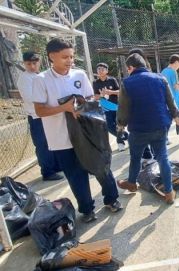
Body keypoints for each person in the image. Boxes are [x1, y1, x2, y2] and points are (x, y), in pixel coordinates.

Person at [32, 39, 121, 223]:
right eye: (65, 57)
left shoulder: (79, 75)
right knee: (76, 175)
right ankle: (87, 209)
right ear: (51, 57)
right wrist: (64, 108)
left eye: (71, 56)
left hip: (87, 133)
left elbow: (90, 98)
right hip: (61, 138)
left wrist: (81, 105)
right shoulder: (41, 80)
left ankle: (112, 199)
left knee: (101, 166)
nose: (70, 60)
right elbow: (39, 110)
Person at [116, 53, 179, 204]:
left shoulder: (126, 83)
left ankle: (132, 183)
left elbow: (123, 110)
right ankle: (169, 192)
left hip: (138, 129)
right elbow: (171, 103)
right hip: (160, 126)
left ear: (130, 67)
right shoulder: (160, 78)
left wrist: (120, 128)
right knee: (162, 158)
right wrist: (178, 122)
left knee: (135, 158)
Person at [17, 52, 63, 181]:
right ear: (24, 64)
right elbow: (31, 98)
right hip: (37, 116)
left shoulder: (39, 75)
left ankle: (56, 166)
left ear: (39, 62)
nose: (32, 66)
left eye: (34, 63)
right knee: (42, 144)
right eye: (28, 64)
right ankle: (47, 171)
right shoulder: (25, 78)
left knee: (52, 141)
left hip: (47, 114)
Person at [93, 62, 127, 151]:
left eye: (102, 69)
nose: (100, 71)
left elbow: (120, 91)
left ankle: (120, 143)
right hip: (105, 108)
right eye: (98, 69)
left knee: (119, 125)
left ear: (107, 71)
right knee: (109, 127)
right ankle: (126, 136)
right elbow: (95, 96)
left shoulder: (112, 80)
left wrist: (110, 92)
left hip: (116, 106)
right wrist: (101, 95)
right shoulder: (95, 82)